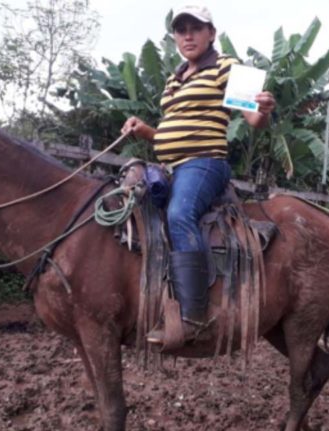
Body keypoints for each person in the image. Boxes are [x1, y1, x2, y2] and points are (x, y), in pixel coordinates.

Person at [121, 5, 275, 347]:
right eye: (181, 29)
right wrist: (146, 131)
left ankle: (194, 317)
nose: (187, 35)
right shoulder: (173, 79)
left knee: (180, 214)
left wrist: (262, 111)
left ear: (211, 34)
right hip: (170, 168)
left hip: (204, 163)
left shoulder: (226, 66)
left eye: (195, 28)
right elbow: (172, 131)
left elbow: (253, 120)